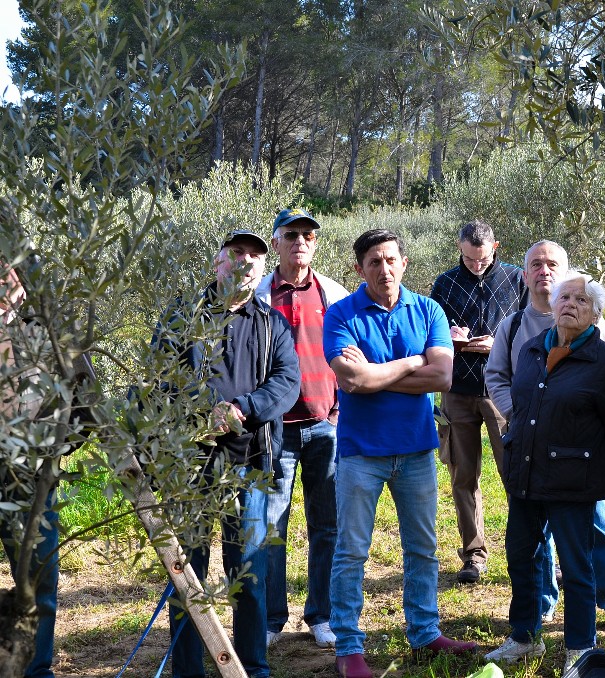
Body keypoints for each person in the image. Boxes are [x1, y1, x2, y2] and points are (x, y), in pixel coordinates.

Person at [323, 229, 477, 678]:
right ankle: (348, 647)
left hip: (416, 452)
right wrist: (412, 362)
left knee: (422, 549)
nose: (384, 269)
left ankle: (425, 632)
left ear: (404, 263)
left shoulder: (428, 309)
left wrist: (375, 371)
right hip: (359, 453)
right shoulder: (341, 314)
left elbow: (443, 379)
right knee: (351, 552)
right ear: (359, 269)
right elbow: (353, 383)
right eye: (374, 262)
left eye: (391, 260)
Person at [484, 239, 605, 633]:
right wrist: (525, 417)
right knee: (529, 537)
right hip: (527, 450)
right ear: (524, 275)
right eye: (536, 264)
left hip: (576, 461)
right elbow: (496, 377)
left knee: (594, 531)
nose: (544, 270)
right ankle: (540, 606)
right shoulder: (512, 329)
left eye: (552, 264)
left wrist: (588, 455)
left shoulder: (594, 327)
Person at [156, 229, 301, 678]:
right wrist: (205, 414)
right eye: (236, 253)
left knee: (250, 573)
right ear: (218, 262)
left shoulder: (272, 323)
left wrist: (242, 408)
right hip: (192, 467)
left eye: (255, 256)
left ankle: (252, 668)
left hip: (252, 465)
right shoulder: (182, 317)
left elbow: (286, 381)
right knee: (188, 574)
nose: (246, 261)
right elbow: (162, 382)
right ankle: (188, 671)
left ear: (261, 269)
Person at [256, 208, 349, 649]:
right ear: (276, 242)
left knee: (326, 526)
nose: (300, 241)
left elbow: (355, 352)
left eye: (308, 235)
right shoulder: (257, 294)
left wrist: (338, 412)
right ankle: (273, 620)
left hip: (325, 425)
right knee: (272, 526)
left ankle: (322, 616)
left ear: (315, 243)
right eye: (291, 234)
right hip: (274, 432)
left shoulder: (332, 292)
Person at [429, 221, 527, 584]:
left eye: (482, 259)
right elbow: (432, 330)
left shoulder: (518, 279)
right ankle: (474, 554)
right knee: (462, 474)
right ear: (460, 248)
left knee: (516, 471)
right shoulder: (445, 282)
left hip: (504, 389)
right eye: (469, 258)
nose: (475, 265)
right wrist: (451, 337)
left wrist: (499, 344)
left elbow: (532, 328)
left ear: (495, 247)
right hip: (457, 389)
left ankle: (532, 551)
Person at [0, 265, 59, 678]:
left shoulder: (42, 326)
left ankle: (36, 669)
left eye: (10, 273)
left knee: (40, 574)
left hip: (35, 472)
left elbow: (75, 396)